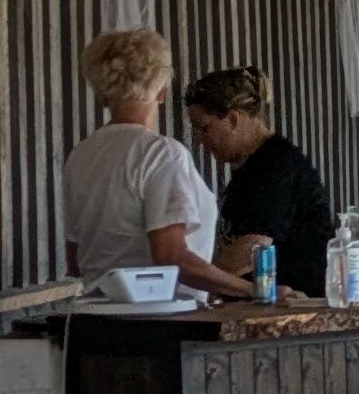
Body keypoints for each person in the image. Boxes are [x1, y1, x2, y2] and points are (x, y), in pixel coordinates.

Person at [59, 28, 259, 299]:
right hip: (160, 313)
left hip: (95, 311)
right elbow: (171, 256)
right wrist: (255, 290)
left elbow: (76, 260)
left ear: (103, 94)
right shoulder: (161, 154)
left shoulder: (81, 156)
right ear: (162, 92)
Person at [181, 64, 337, 301]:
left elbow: (251, 250)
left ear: (233, 119)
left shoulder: (275, 166)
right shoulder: (252, 167)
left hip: (292, 308)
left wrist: (197, 281)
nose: (199, 139)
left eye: (204, 128)